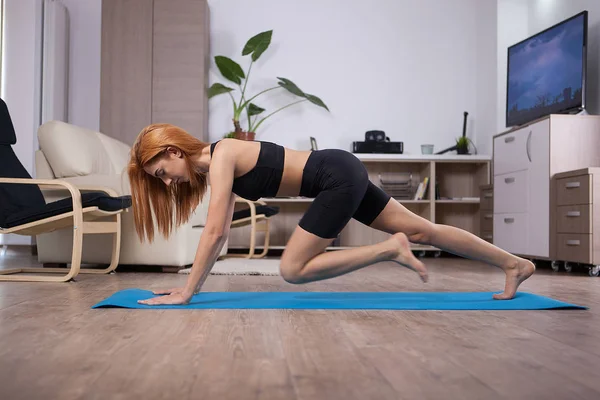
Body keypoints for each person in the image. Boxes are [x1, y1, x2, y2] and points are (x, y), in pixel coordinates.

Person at [127, 123, 535, 306]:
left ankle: (389, 250)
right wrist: (192, 289)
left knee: (293, 268)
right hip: (339, 171)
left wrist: (185, 292)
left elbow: (214, 233)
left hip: (334, 176)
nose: (167, 182)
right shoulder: (219, 161)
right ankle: (514, 264)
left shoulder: (221, 155)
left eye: (162, 172)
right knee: (423, 230)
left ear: (174, 151)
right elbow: (217, 236)